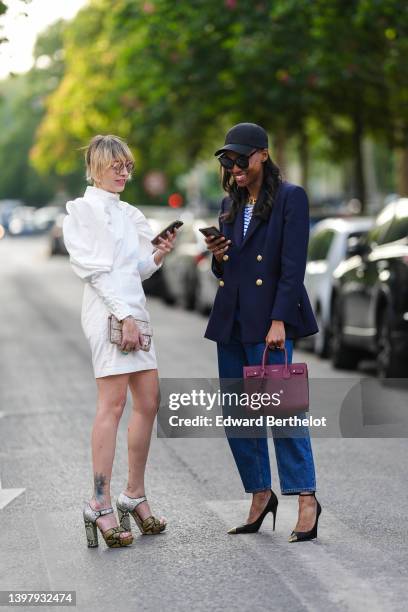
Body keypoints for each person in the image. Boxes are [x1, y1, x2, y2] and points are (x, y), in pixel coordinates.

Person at [204, 123, 322, 542]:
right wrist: (219, 258)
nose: (233, 166)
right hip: (232, 321)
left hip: (269, 321)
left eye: (240, 158)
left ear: (262, 155)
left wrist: (279, 320)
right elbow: (232, 269)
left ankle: (305, 497)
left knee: (283, 410)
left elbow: (292, 266)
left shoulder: (291, 198)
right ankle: (259, 494)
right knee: (238, 414)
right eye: (227, 160)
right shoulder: (230, 204)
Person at [63, 134, 177, 548]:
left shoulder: (129, 213)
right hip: (107, 313)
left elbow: (137, 270)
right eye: (116, 166)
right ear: (96, 166)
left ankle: (134, 494)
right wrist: (122, 315)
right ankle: (99, 502)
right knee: (112, 404)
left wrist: (159, 254)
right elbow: (92, 271)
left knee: (149, 401)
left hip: (135, 312)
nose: (124, 173)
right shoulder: (81, 211)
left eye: (127, 166)